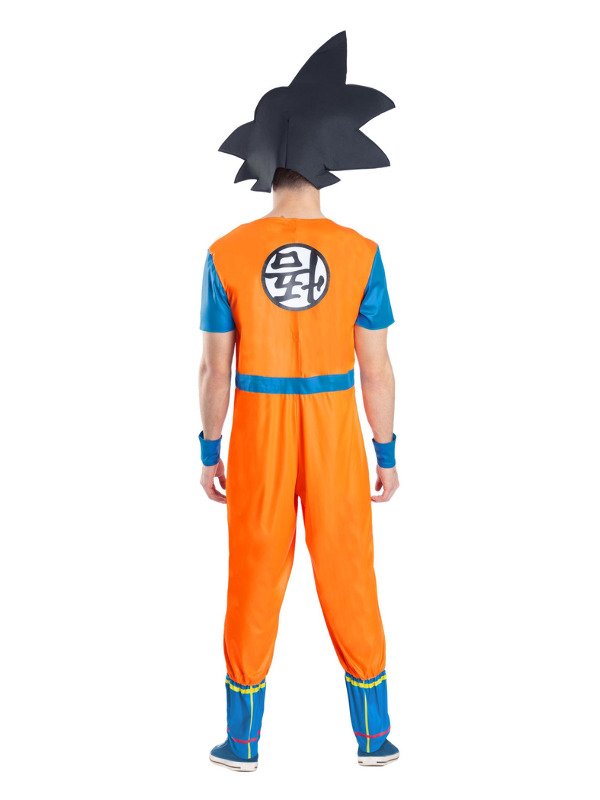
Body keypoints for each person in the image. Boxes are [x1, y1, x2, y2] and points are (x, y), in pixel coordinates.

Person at [198, 32, 399, 770]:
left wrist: (209, 447)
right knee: (348, 566)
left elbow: (214, 369)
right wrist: (386, 452)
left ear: (264, 159)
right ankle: (373, 737)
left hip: (258, 427)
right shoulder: (361, 253)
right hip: (334, 424)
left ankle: (242, 740)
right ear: (328, 159)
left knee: (254, 570)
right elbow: (376, 368)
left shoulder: (225, 253)